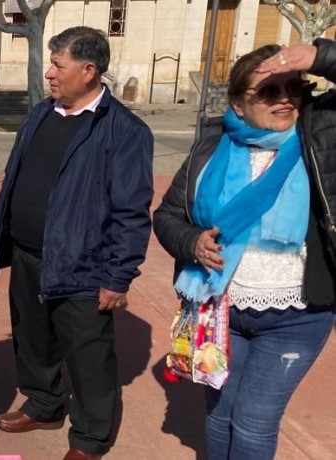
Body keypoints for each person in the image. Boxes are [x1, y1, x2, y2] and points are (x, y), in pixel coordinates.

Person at [153, 43, 336, 459]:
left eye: (293, 87)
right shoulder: (211, 148)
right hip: (220, 311)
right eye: (269, 92)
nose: (285, 98)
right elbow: (166, 216)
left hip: (298, 315)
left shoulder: (322, 134)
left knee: (254, 422)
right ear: (237, 104)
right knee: (220, 416)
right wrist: (191, 242)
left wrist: (319, 57)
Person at [0, 27, 153, 460]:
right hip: (26, 253)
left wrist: (118, 276)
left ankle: (90, 437)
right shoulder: (40, 114)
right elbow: (13, 182)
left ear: (89, 70)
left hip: (83, 263)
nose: (50, 74)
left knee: (88, 355)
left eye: (58, 65)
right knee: (33, 337)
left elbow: (131, 211)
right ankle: (44, 404)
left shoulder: (124, 131)